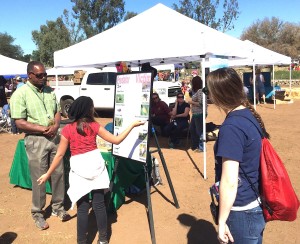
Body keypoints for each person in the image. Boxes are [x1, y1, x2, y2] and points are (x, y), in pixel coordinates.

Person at [37, 96, 145, 244]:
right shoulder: (93, 125)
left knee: (82, 208)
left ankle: (82, 241)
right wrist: (132, 125)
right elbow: (117, 140)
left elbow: (60, 154)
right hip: (95, 165)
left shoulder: (68, 129)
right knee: (99, 205)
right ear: (88, 109)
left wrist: (47, 173)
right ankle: (103, 240)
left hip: (78, 167)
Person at [206, 67, 268, 244]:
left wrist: (222, 220)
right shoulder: (248, 115)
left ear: (218, 95)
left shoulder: (231, 127)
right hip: (255, 203)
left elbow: (230, 181)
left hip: (241, 210)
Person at [10, 61, 70, 230]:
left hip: (54, 137)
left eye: (45, 74)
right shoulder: (20, 94)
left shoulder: (50, 91)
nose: (43, 77)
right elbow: (19, 122)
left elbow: (57, 112)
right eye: (39, 75)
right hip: (36, 140)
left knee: (58, 173)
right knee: (40, 178)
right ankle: (37, 213)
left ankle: (58, 207)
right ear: (29, 75)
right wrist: (43, 129)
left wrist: (56, 125)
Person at [187, 76, 206, 152]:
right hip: (195, 113)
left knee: (199, 131)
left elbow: (202, 103)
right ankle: (195, 145)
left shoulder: (201, 91)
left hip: (200, 113)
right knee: (192, 129)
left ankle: (202, 147)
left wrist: (191, 102)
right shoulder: (196, 91)